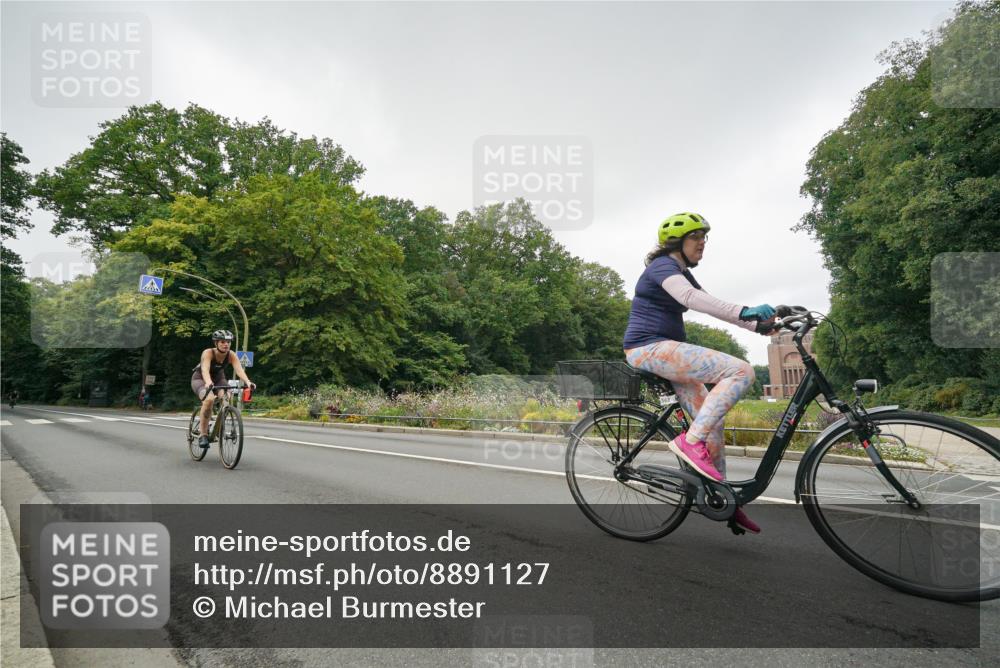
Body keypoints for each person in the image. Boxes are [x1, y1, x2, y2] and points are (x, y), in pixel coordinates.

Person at [622, 212, 776, 534]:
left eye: (705, 238)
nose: (703, 243)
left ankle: (724, 501)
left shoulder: (682, 273)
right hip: (648, 348)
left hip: (666, 351)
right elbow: (691, 299)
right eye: (696, 238)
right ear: (677, 243)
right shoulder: (662, 267)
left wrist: (760, 326)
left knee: (713, 420)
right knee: (742, 371)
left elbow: (710, 304)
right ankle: (689, 442)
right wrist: (743, 310)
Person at [191, 330, 254, 449]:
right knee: (209, 399)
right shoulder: (208, 353)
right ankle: (203, 434)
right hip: (200, 379)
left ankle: (219, 425)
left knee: (226, 397)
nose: (226, 344)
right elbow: (205, 369)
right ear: (216, 343)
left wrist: (248, 382)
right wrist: (208, 382)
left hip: (219, 379)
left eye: (229, 342)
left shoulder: (231, 355)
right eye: (223, 342)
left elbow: (239, 370)